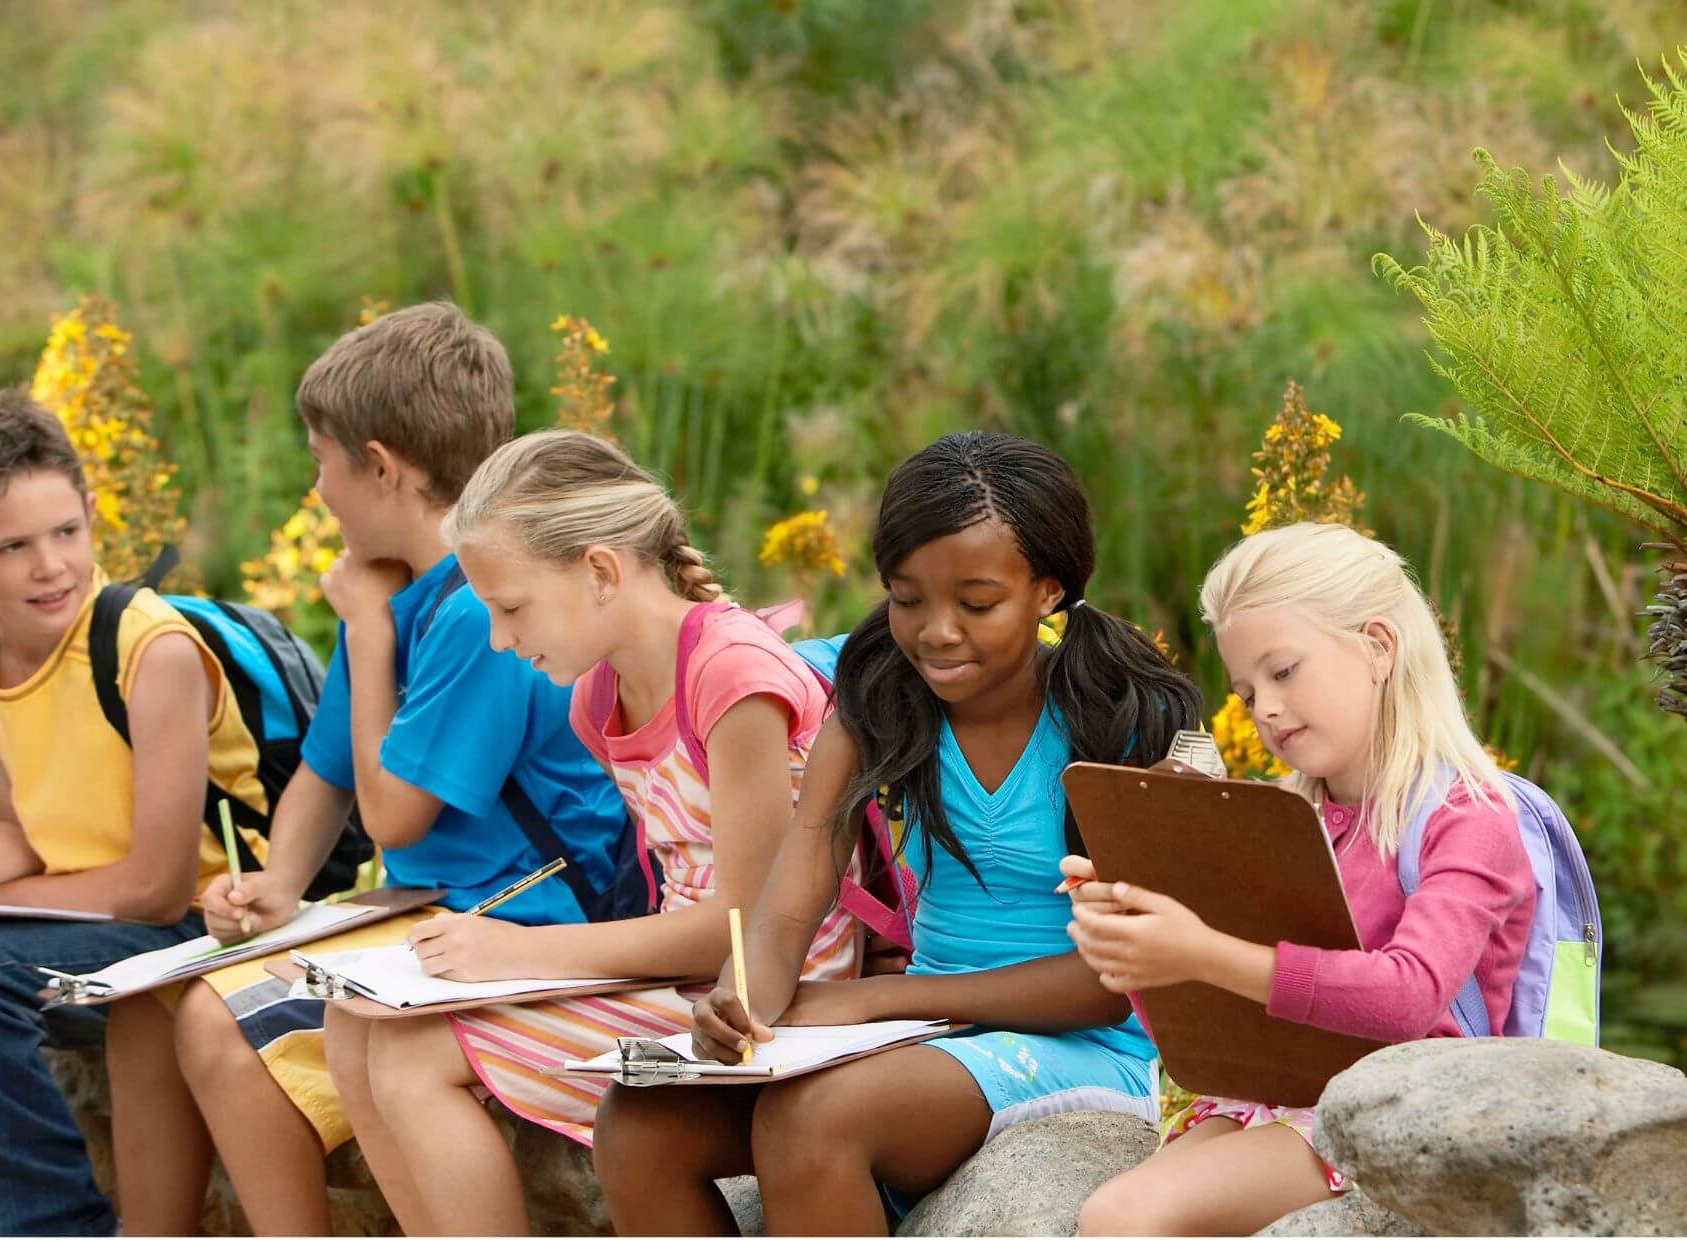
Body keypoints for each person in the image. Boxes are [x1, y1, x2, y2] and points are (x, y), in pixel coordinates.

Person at [104, 302, 629, 1235]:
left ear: (381, 466)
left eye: (321, 464)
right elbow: (328, 771)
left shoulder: (477, 611)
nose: (317, 493)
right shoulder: (394, 593)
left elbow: (392, 822)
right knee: (177, 1012)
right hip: (432, 906)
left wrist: (365, 632)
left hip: (531, 910)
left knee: (221, 1026)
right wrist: (278, 884)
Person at [595, 430, 1203, 1234]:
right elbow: (783, 914)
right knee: (636, 1123)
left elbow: (1112, 981)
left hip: (1095, 1048)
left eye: (976, 603)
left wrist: (879, 1000)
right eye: (907, 599)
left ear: (1048, 591)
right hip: (932, 1034)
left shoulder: (1116, 722)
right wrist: (741, 1004)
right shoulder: (880, 713)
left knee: (815, 1118)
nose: (936, 631)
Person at [331, 429, 863, 1234]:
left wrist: (519, 954)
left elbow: (748, 928)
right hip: (685, 980)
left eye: (511, 609)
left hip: (766, 1003)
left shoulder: (730, 675)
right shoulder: (599, 696)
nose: (502, 640)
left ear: (602, 570)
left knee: (410, 1057)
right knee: (353, 1021)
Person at [0, 388, 271, 1236]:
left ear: (93, 515)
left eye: (67, 532)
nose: (51, 566)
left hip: (185, 925)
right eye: (13, 547)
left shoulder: (152, 650)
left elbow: (156, 886)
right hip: (57, 909)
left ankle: (42, 1226)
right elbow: (21, 834)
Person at [1071, 522, 1535, 1235]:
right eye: (1247, 691)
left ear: (1379, 646)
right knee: (1112, 1215)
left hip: (1403, 1112)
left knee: (1125, 1215)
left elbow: (1410, 995)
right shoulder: (1286, 816)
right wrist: (1131, 923)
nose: (1265, 710)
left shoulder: (1469, 816)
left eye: (1283, 672)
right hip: (1279, 1094)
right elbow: (1214, 1017)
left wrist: (1200, 950)